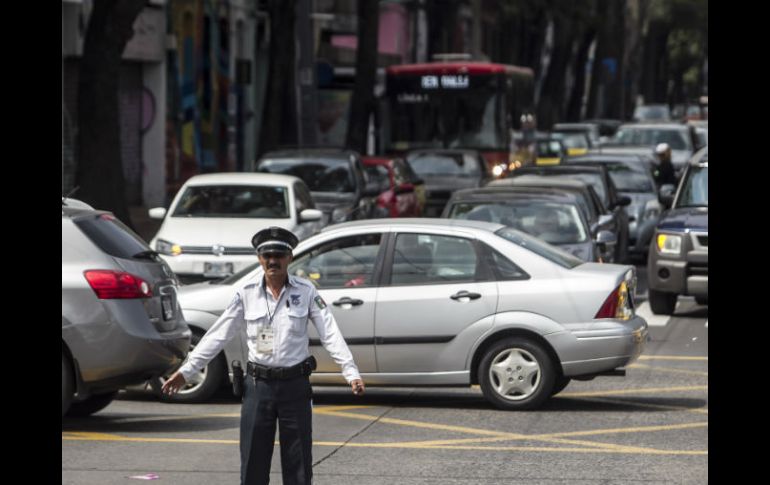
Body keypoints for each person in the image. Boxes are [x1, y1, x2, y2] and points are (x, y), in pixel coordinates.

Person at [161, 226, 365, 485]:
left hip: (295, 386)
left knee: (299, 464)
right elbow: (218, 334)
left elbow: (330, 332)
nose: (272, 261)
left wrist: (350, 371)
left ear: (290, 258)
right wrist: (188, 371)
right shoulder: (245, 293)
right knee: (253, 463)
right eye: (266, 255)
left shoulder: (306, 291)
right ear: (259, 259)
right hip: (259, 387)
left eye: (279, 255)